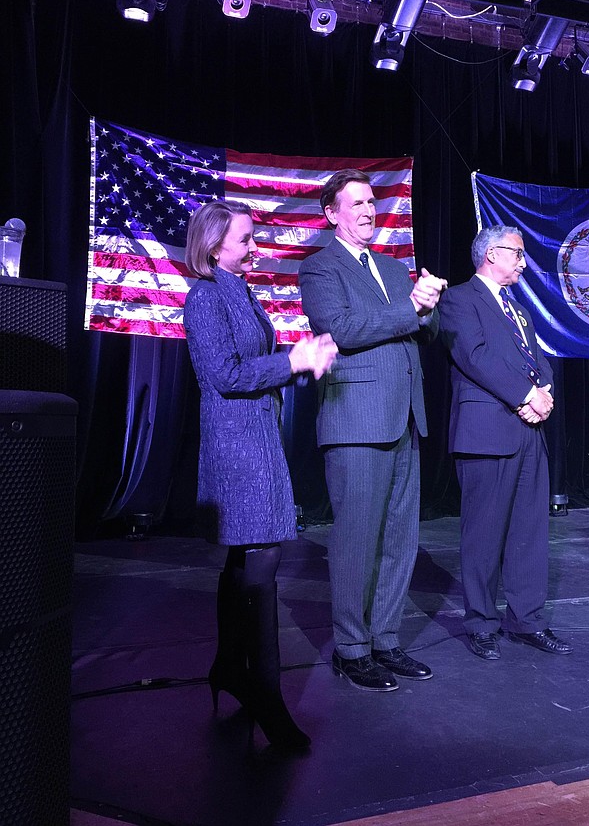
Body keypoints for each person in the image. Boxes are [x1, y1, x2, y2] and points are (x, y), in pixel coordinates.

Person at [183, 200, 337, 751]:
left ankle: (229, 667)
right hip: (236, 442)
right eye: (246, 240)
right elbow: (222, 375)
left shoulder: (240, 291)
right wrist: (291, 363)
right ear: (214, 245)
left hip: (256, 434)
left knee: (245, 556)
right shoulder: (204, 297)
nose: (255, 248)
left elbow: (255, 366)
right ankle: (266, 696)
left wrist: (301, 363)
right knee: (262, 556)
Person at [298, 169, 447, 692]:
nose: (367, 210)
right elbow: (342, 329)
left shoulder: (392, 266)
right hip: (357, 418)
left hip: (404, 416)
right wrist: (409, 309)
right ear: (332, 213)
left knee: (400, 539)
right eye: (356, 203)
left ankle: (385, 639)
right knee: (357, 540)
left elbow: (421, 332)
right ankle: (351, 648)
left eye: (371, 201)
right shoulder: (320, 269)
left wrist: (428, 303)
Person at [438, 224, 573, 661]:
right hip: (486, 432)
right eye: (517, 253)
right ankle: (481, 622)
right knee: (484, 534)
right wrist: (524, 395)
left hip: (528, 431)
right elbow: (474, 357)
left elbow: (536, 358)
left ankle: (527, 620)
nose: (523, 261)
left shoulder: (518, 308)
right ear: (491, 254)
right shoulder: (460, 299)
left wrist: (543, 394)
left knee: (529, 533)